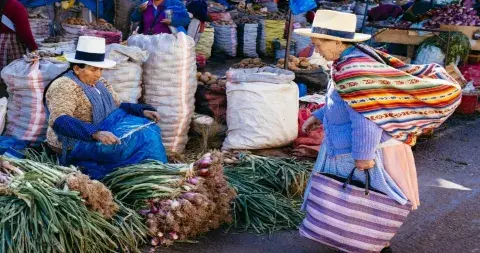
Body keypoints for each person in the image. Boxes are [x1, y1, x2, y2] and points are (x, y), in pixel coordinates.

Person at [295, 10, 461, 252]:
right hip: (356, 145)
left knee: (366, 199)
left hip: (366, 148)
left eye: (318, 43)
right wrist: (318, 116)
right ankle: (358, 238)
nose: (315, 49)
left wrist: (364, 156)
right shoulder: (349, 61)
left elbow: (366, 118)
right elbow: (345, 101)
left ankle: (371, 242)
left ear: (338, 41)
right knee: (357, 198)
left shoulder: (355, 70)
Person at [44, 36, 167, 179]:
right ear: (77, 68)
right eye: (93, 69)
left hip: (102, 128)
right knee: (137, 141)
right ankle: (142, 176)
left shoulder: (100, 82)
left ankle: (152, 173)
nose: (98, 74)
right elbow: (60, 120)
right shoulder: (64, 86)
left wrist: (142, 110)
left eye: (100, 69)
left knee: (148, 129)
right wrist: (95, 133)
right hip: (76, 141)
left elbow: (118, 104)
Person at [0, 0, 38, 97]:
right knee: (14, 75)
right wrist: (33, 48)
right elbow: (24, 31)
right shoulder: (15, 6)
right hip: (10, 44)